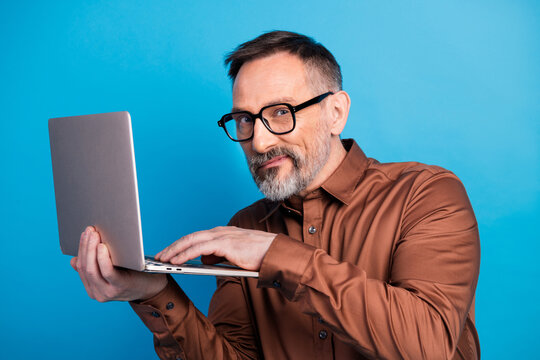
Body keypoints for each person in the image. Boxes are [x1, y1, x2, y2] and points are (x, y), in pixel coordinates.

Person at [71, 31, 480, 359]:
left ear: (336, 112)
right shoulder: (242, 230)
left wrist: (275, 255)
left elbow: (428, 346)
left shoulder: (426, 195)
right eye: (245, 119)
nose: (260, 140)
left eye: (281, 112)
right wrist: (155, 292)